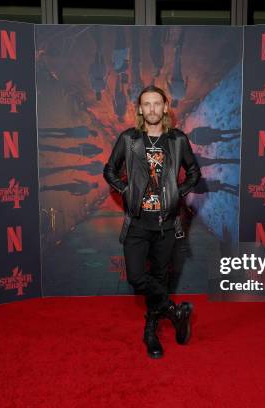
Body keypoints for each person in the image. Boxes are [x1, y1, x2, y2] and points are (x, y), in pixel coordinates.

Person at [103, 85, 201, 359]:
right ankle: (175, 311)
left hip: (167, 224)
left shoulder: (178, 140)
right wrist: (125, 190)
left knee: (159, 277)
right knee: (137, 277)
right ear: (139, 110)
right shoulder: (129, 140)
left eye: (157, 103)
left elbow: (193, 171)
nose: (152, 109)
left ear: (165, 107)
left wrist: (178, 193)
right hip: (137, 222)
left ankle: (151, 330)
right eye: (147, 104)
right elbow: (109, 169)